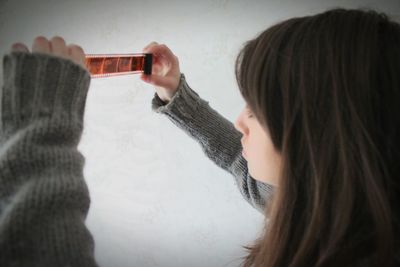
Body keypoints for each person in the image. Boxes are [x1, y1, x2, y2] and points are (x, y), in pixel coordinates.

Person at [1, 7, 399, 267]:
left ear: (321, 139)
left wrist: (42, 134)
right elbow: (239, 160)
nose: (242, 121)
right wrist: (175, 92)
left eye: (257, 111)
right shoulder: (316, 202)